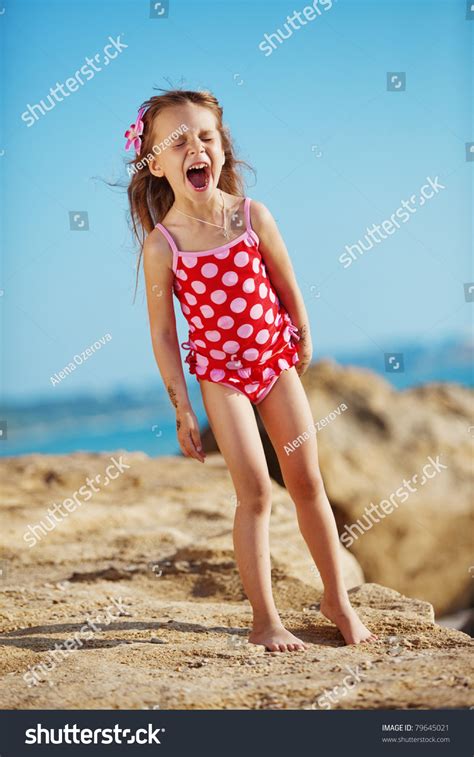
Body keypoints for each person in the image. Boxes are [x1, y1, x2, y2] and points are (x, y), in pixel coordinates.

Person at [126, 89, 378, 652]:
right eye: (178, 140)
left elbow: (287, 286)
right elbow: (164, 335)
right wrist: (182, 407)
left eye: (206, 137)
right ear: (155, 163)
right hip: (220, 378)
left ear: (221, 149)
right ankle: (265, 620)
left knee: (309, 482)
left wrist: (304, 334)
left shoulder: (251, 215)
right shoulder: (162, 245)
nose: (196, 147)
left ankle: (336, 597)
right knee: (256, 492)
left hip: (274, 361)